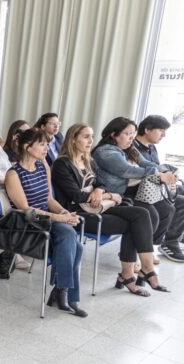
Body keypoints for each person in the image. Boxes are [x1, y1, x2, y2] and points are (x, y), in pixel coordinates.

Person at [53, 123, 164, 295]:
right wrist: (109, 196)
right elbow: (77, 196)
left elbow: (101, 183)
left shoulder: (87, 160)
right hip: (78, 213)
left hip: (97, 207)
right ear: (73, 140)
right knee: (134, 226)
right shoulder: (62, 164)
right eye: (86, 136)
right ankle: (132, 275)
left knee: (141, 213)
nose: (91, 140)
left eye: (92, 136)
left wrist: (99, 190)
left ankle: (144, 270)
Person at [5, 128, 86, 316]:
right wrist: (60, 218)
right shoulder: (13, 174)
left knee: (76, 245)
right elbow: (27, 209)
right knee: (68, 233)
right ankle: (64, 295)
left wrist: (64, 211)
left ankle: (61, 293)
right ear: (27, 147)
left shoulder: (42, 166)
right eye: (41, 144)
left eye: (46, 144)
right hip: (27, 223)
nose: (46, 148)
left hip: (46, 219)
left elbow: (49, 199)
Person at [93, 117, 177, 266]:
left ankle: (146, 250)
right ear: (114, 134)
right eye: (127, 133)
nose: (132, 137)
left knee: (165, 210)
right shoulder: (105, 152)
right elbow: (128, 170)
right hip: (110, 198)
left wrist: (166, 172)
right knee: (149, 214)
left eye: (133, 133)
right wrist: (159, 174)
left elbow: (147, 163)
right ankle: (138, 257)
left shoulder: (128, 148)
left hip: (124, 195)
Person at [134, 115, 184, 262]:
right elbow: (142, 173)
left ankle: (171, 241)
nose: (164, 135)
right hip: (143, 191)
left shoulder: (152, 148)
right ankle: (165, 243)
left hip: (158, 186)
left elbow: (158, 168)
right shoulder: (133, 148)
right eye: (161, 130)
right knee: (174, 205)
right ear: (147, 130)